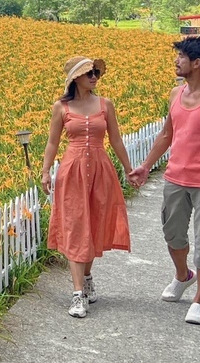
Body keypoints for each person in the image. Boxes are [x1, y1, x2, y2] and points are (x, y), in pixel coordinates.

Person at [128, 37, 200, 325]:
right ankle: (183, 276)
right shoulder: (175, 94)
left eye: (181, 57)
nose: (176, 61)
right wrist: (145, 166)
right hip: (175, 178)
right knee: (173, 235)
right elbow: (167, 134)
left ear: (197, 63)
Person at [41, 56, 133, 318]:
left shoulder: (106, 105)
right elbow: (52, 142)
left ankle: (88, 275)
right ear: (75, 78)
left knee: (94, 225)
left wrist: (128, 169)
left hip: (101, 170)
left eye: (96, 73)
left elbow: (115, 139)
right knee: (74, 227)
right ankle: (78, 293)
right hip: (73, 171)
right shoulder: (61, 107)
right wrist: (46, 172)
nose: (94, 76)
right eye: (89, 73)